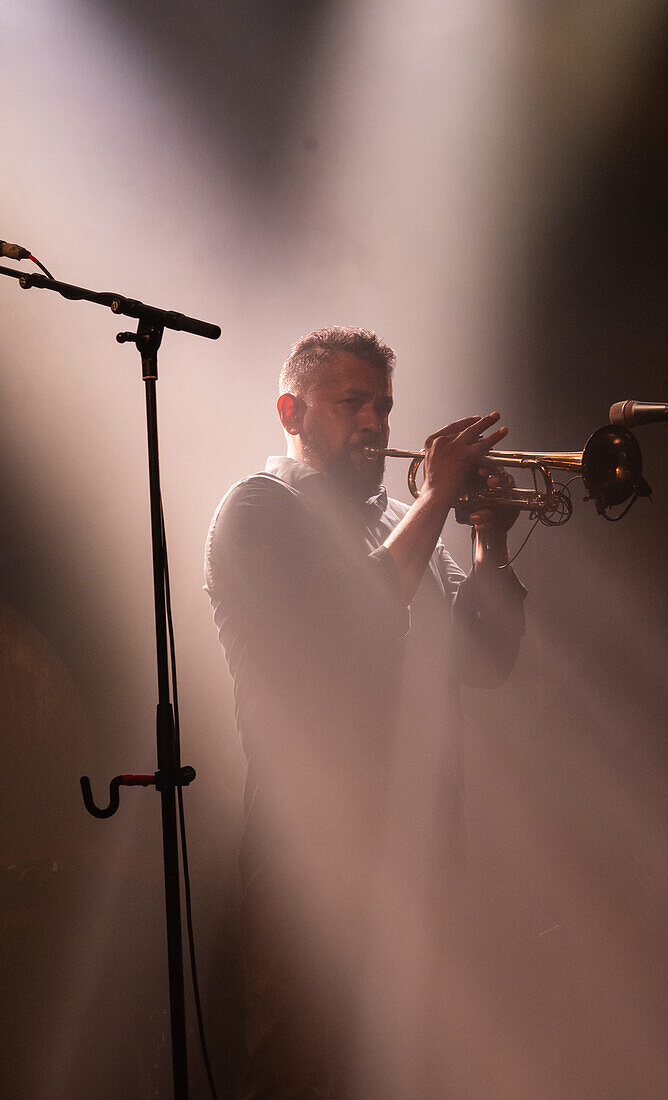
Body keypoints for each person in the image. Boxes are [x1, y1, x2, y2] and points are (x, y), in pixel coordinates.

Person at [204, 326, 526, 1097]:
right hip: (310, 852)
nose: (376, 424)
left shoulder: (394, 521)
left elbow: (487, 661)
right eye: (352, 403)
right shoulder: (260, 508)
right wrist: (440, 498)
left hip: (417, 841)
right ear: (291, 411)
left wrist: (488, 538)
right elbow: (353, 627)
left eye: (382, 406)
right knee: (305, 1071)